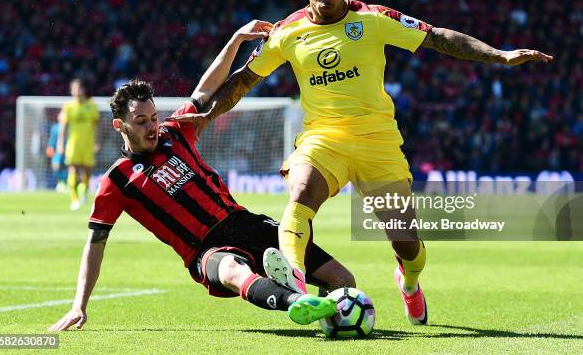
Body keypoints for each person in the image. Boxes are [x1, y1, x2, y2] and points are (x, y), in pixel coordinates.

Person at [167, 0, 553, 326]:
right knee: (301, 192)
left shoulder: (373, 19)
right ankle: (296, 279)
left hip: (377, 141)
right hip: (323, 137)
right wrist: (204, 115)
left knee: (407, 243)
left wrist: (499, 55)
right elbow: (242, 81)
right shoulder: (287, 32)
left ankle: (409, 280)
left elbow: (437, 37)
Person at [49, 20, 354, 332]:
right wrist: (79, 305)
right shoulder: (117, 180)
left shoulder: (175, 131)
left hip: (246, 222)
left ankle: (328, 317)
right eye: (141, 121)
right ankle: (296, 302)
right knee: (233, 272)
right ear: (120, 126)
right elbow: (96, 243)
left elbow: (205, 90)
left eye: (153, 117)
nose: (152, 126)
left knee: (344, 280)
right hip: (206, 249)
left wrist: (236, 39)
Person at [57, 79, 100, 210]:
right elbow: (63, 126)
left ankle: (84, 193)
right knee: (73, 170)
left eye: (79, 88)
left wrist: (97, 142)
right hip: (73, 144)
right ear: (71, 90)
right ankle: (74, 199)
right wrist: (60, 143)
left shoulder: (91, 105)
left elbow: (96, 126)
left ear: (84, 89)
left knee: (87, 172)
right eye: (75, 88)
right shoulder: (68, 106)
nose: (77, 91)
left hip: (88, 143)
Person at [46, 115, 67, 192]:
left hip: (67, 151)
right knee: (56, 165)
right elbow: (52, 139)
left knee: (67, 167)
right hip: (57, 151)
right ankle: (60, 182)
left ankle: (65, 183)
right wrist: (50, 146)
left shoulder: (69, 127)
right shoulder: (55, 127)